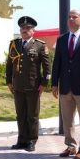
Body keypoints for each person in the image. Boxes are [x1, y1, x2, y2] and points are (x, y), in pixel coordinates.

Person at [51, 9, 80, 159]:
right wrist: (54, 83)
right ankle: (70, 146)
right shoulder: (62, 39)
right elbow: (57, 62)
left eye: (74, 17)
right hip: (65, 87)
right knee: (67, 119)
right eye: (69, 17)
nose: (71, 19)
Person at [6, 16, 51, 151]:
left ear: (33, 31)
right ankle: (22, 140)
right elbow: (9, 64)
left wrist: (44, 83)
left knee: (32, 115)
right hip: (17, 86)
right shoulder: (14, 44)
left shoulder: (39, 45)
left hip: (33, 86)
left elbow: (47, 68)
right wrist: (8, 81)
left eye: (27, 28)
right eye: (22, 28)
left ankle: (31, 141)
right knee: (20, 115)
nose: (24, 30)